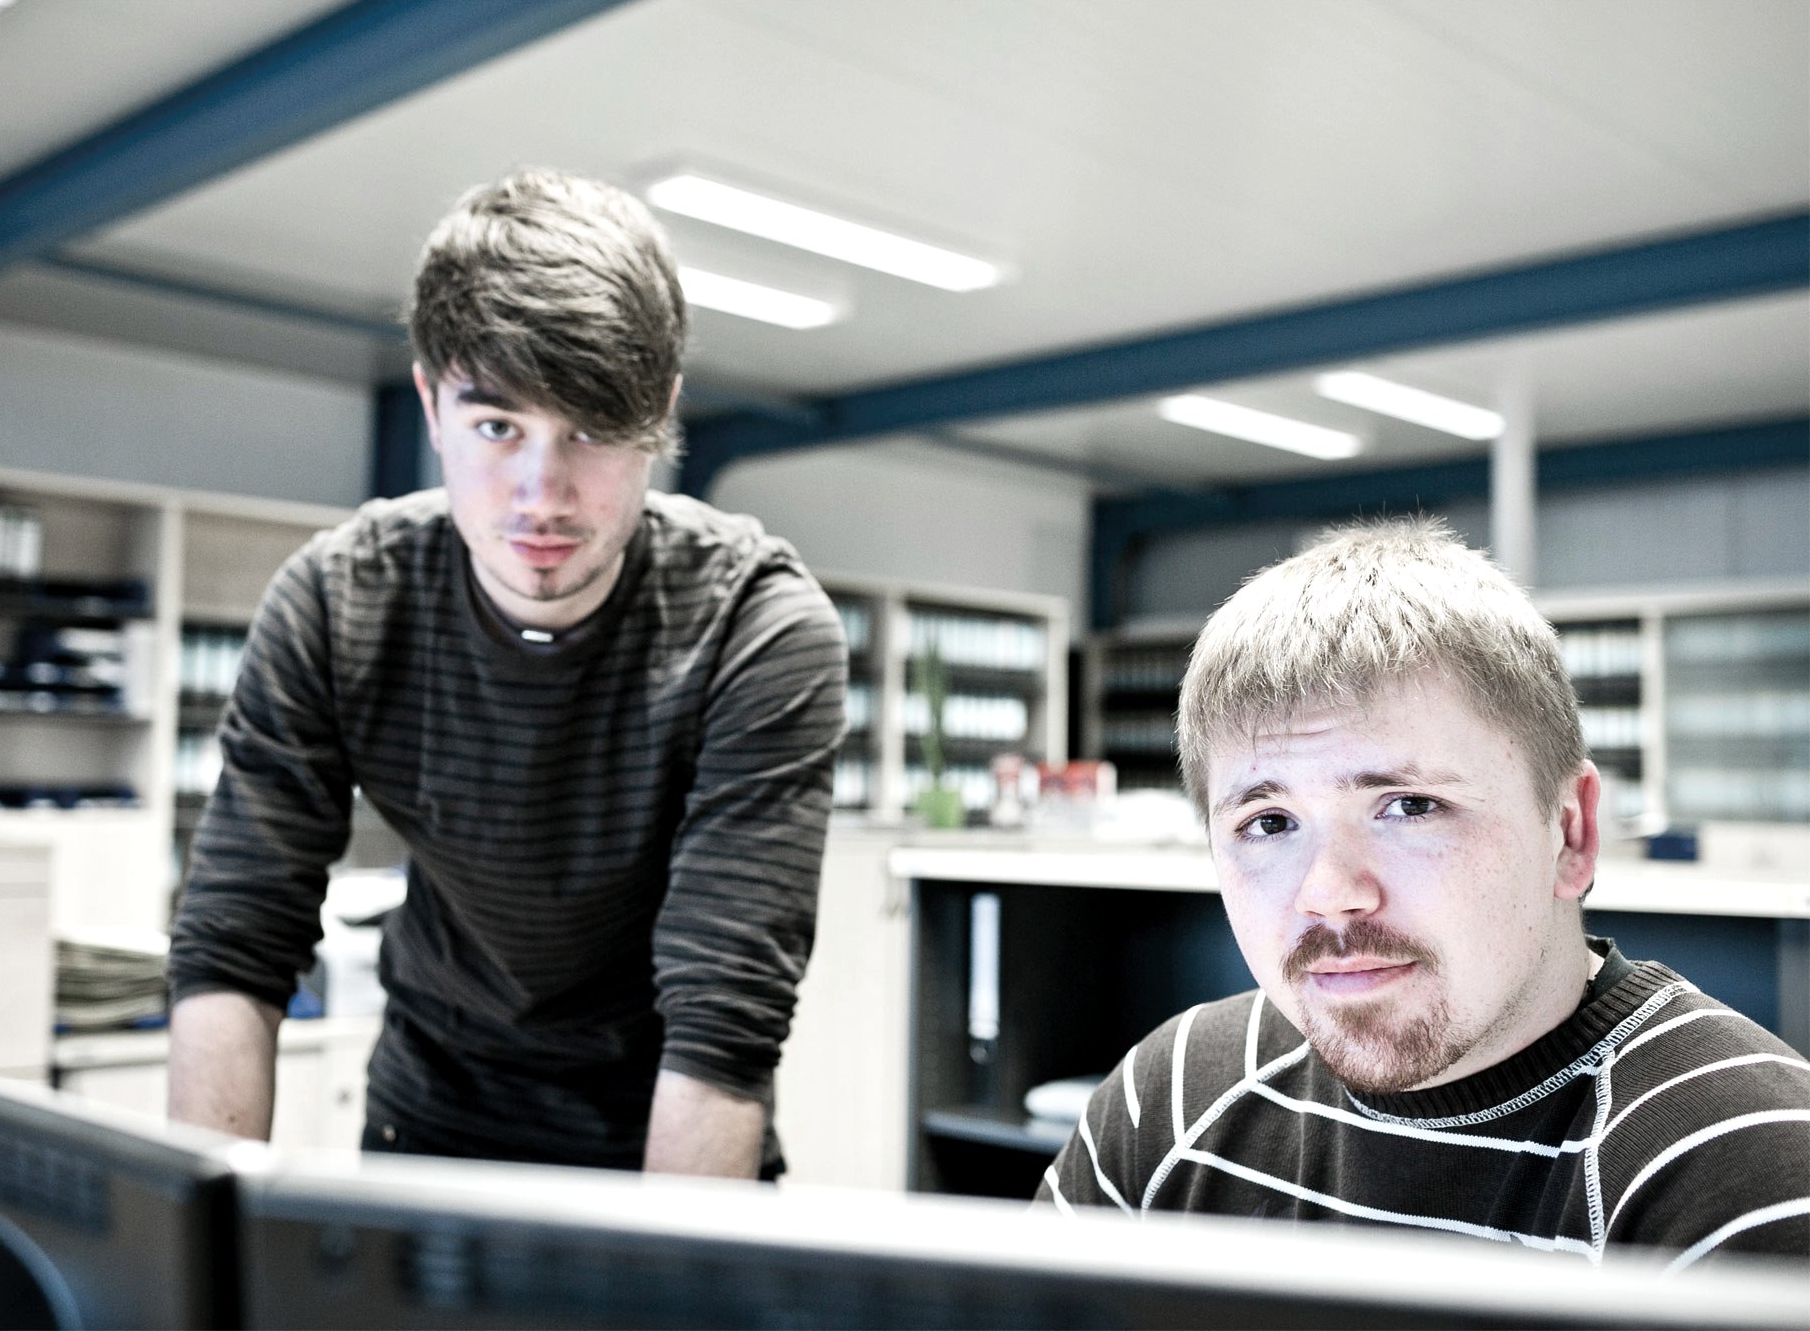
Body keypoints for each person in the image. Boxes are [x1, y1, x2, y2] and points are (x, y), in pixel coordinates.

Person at [165, 168, 847, 1180]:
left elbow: (724, 1012)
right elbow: (233, 942)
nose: (542, 494)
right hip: (424, 1133)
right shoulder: (338, 603)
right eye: (497, 427)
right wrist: (198, 1249)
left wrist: (663, 1261)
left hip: (666, 1146)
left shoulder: (755, 626)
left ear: (659, 416)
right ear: (431, 404)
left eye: (592, 431)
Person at [1037, 518, 1810, 1267]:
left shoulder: (1747, 1169)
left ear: (1570, 832)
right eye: (1269, 822)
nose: (1329, 894)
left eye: (1410, 806)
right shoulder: (1168, 1100)